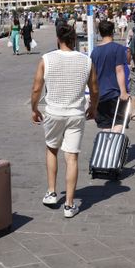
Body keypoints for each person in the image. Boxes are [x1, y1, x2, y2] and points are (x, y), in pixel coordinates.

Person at [31, 24, 99, 218]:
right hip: (76, 113)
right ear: (75, 40)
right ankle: (69, 205)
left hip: (53, 112)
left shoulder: (46, 59)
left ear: (58, 39)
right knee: (72, 157)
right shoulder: (86, 60)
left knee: (51, 149)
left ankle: (52, 193)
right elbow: (94, 89)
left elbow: (36, 89)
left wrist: (34, 109)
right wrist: (93, 108)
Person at [90, 21, 129, 132]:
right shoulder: (118, 48)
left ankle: (105, 147)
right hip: (114, 92)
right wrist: (123, 91)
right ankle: (114, 146)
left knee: (105, 125)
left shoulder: (95, 51)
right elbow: (119, 70)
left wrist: (92, 95)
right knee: (119, 121)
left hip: (100, 94)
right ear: (113, 31)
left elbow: (93, 75)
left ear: (100, 33)